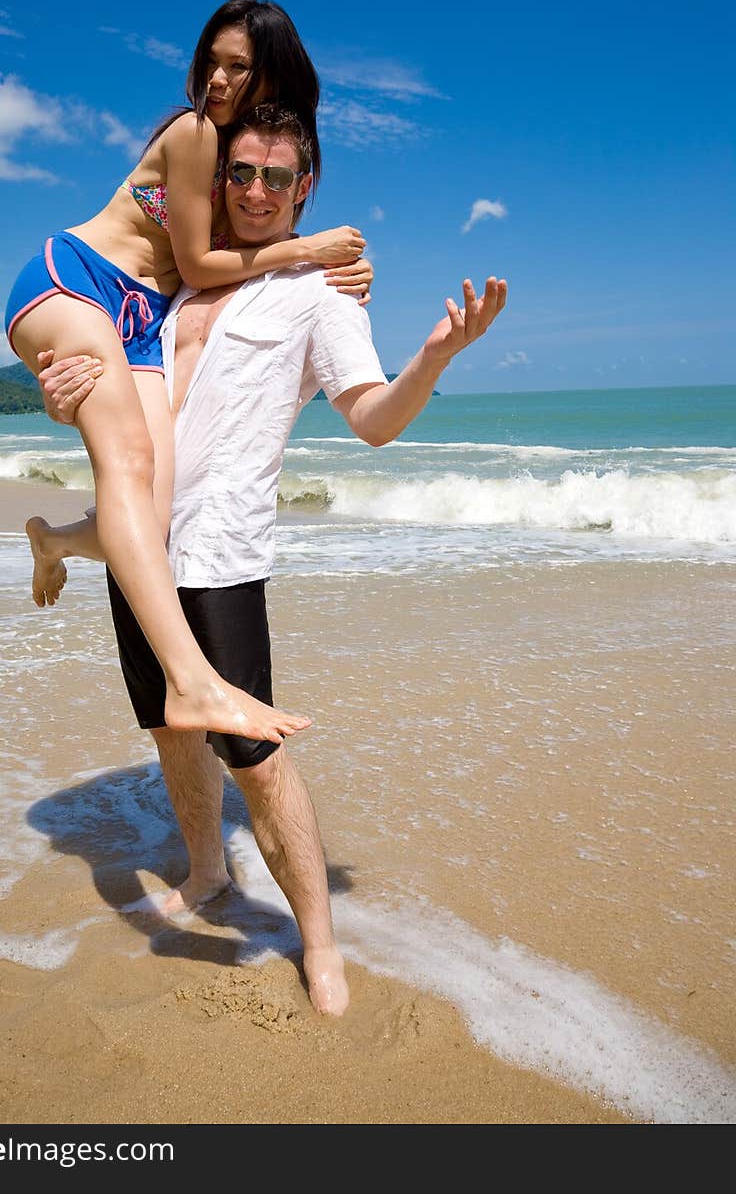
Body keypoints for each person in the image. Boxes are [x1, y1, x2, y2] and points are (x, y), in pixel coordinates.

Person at [37, 103, 508, 1015]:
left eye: (276, 177)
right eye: (240, 174)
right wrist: (63, 394)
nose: (255, 192)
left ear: (307, 187)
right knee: (170, 727)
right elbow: (107, 396)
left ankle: (319, 940)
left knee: (253, 751)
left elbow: (370, 419)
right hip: (139, 544)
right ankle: (210, 871)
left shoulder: (321, 293)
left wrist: (435, 359)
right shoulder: (166, 288)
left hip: (220, 549)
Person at [4, 0, 371, 747]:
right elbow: (204, 264)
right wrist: (312, 250)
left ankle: (56, 539)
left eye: (240, 66)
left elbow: (249, 253)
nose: (217, 77)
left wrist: (334, 266)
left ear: (273, 75)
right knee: (131, 463)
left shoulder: (250, 155)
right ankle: (191, 681)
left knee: (155, 513)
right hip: (77, 284)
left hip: (142, 321)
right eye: (213, 59)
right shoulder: (195, 132)